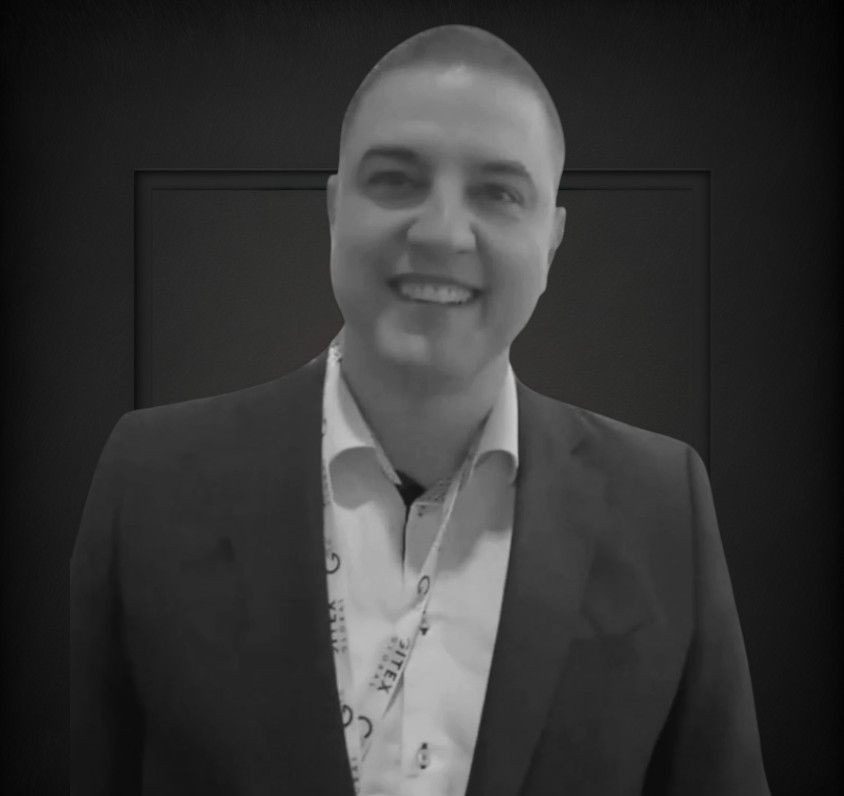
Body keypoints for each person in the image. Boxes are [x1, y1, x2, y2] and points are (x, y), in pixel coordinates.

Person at [71, 24, 770, 796]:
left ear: (552, 240)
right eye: (396, 180)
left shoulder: (663, 504)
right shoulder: (150, 480)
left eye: (498, 193)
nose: (440, 232)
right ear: (335, 210)